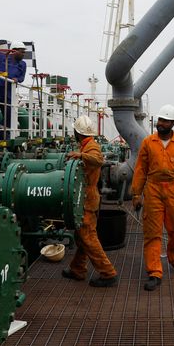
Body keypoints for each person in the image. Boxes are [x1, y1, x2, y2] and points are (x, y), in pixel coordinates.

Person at [131, 104, 174, 291]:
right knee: (152, 232)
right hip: (153, 189)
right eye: (160, 120)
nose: (162, 123)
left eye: (166, 121)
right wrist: (136, 193)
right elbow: (140, 169)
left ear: (173, 123)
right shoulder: (148, 142)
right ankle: (154, 272)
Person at [62, 116, 118, 287]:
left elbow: (98, 160)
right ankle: (77, 269)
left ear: (76, 132)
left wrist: (80, 155)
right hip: (85, 197)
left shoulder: (91, 147)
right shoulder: (86, 145)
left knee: (88, 237)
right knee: (81, 238)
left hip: (86, 198)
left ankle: (108, 273)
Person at [0, 40, 27, 139]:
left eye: (24, 52)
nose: (23, 54)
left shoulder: (23, 64)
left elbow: (22, 78)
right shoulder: (3, 59)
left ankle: (4, 133)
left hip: (9, 92)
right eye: (22, 51)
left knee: (9, 114)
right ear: (14, 51)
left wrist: (17, 79)